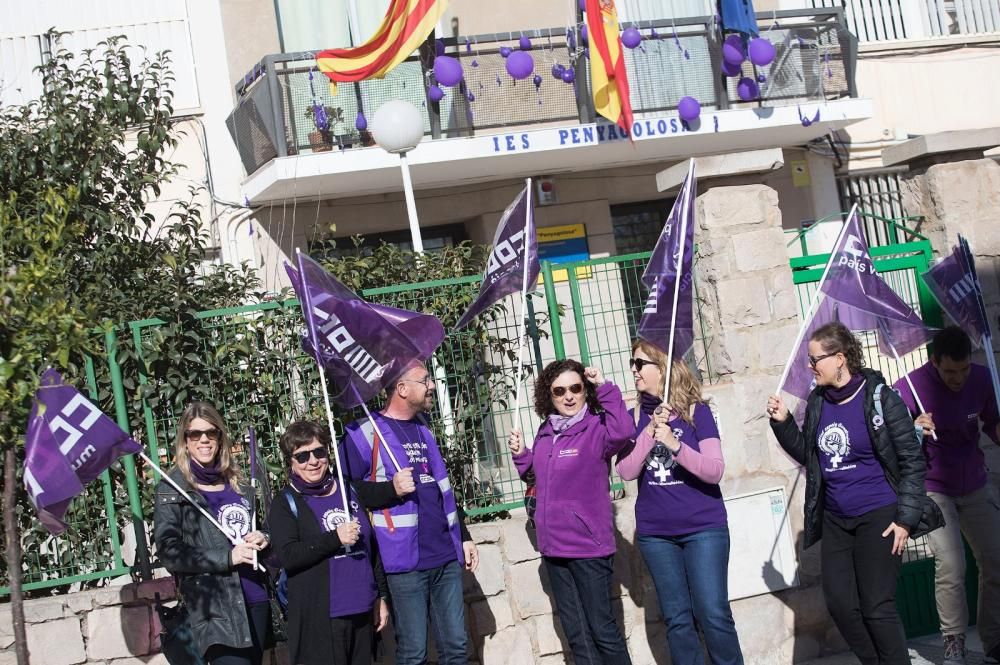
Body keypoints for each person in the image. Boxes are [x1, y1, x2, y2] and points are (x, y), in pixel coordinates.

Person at [766, 322, 941, 665]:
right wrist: (783, 422)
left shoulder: (881, 399)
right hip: (836, 518)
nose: (809, 366)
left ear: (840, 359)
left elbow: (911, 461)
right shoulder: (817, 401)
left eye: (815, 359)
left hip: (880, 515)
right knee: (841, 605)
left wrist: (905, 520)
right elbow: (811, 458)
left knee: (877, 606)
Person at [340, 360, 479, 665]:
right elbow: (344, 490)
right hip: (404, 563)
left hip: (444, 555)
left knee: (456, 647)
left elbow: (442, 488)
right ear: (401, 389)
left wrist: (464, 536)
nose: (431, 386)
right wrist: (390, 489)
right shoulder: (364, 432)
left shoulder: (423, 427)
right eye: (425, 380)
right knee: (413, 652)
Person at [616, 340, 743, 665]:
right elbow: (626, 470)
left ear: (662, 368)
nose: (634, 369)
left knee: (713, 613)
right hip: (657, 535)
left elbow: (714, 470)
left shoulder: (696, 411)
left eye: (640, 363)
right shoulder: (631, 415)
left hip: (704, 528)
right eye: (633, 363)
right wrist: (648, 431)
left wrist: (675, 444)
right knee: (677, 619)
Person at [508, 359, 634, 665]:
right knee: (577, 636)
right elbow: (535, 475)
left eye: (576, 388)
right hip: (553, 548)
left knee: (602, 630)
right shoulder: (545, 431)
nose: (568, 396)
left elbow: (624, 430)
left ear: (585, 391)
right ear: (548, 396)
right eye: (559, 390)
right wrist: (522, 454)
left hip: (588, 548)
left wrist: (604, 387)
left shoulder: (596, 428)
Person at [893, 326, 1000, 665]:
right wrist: (913, 428)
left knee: (996, 560)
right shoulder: (910, 387)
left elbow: (993, 424)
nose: (959, 378)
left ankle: (994, 642)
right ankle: (953, 644)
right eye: (950, 371)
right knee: (952, 564)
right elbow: (889, 439)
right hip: (934, 486)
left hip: (974, 481)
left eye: (964, 369)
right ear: (934, 362)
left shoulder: (982, 379)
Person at [267, 420, 408, 665]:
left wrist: (380, 597)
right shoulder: (285, 503)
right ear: (290, 462)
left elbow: (370, 548)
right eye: (302, 456)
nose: (313, 461)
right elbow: (289, 556)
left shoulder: (348, 490)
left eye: (319, 452)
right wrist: (335, 538)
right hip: (320, 619)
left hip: (361, 611)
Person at [153, 402, 272, 665]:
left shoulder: (238, 481)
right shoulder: (174, 487)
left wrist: (264, 537)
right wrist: (226, 558)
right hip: (215, 608)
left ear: (220, 437)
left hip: (255, 598)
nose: (204, 440)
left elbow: (261, 527)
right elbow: (168, 551)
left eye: (211, 432)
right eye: (195, 434)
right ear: (185, 440)